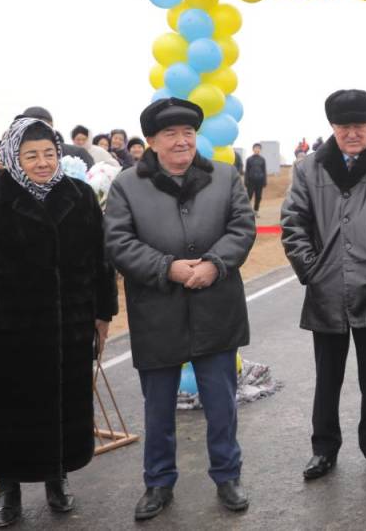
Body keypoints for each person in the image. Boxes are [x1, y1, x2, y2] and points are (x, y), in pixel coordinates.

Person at [0, 116, 117, 528]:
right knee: (8, 414)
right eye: (31, 155)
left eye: (49, 153)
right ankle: (7, 490)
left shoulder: (79, 196)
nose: (43, 162)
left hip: (69, 327)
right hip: (8, 332)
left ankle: (56, 479)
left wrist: (103, 313)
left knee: (62, 408)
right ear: (13, 157)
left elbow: (101, 260)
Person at [104, 98, 256, 520]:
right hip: (157, 312)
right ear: (151, 141)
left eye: (187, 132)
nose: (181, 141)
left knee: (221, 403)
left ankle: (227, 475)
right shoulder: (127, 185)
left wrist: (214, 264)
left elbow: (242, 228)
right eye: (169, 134)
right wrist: (166, 267)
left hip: (216, 308)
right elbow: (118, 242)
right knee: (157, 408)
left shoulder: (224, 176)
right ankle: (158, 482)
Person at [280, 90, 366, 482]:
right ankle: (323, 449)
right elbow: (293, 223)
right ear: (332, 127)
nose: (352, 133)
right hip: (326, 288)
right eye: (343, 126)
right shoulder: (309, 168)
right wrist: (311, 269)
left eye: (359, 125)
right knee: (327, 376)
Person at [21, 106, 94, 170]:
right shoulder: (16, 155)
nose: (42, 164)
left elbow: (93, 178)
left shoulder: (78, 153)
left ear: (51, 125)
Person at [244, 143, 267, 214]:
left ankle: (256, 211)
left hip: (259, 181)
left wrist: (264, 181)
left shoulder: (262, 159)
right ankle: (247, 211)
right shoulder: (249, 159)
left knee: (258, 197)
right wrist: (246, 181)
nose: (257, 149)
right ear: (253, 149)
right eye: (256, 148)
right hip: (251, 181)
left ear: (260, 150)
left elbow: (264, 170)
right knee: (249, 196)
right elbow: (247, 171)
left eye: (258, 148)